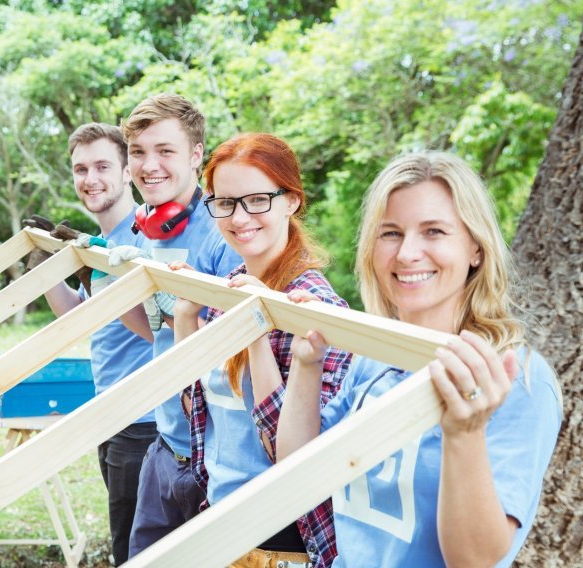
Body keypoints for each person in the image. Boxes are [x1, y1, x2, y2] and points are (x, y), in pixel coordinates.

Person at [277, 151, 562, 567]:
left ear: (476, 249)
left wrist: (464, 433)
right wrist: (307, 364)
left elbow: (475, 561)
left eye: (433, 231)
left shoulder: (515, 378)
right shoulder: (375, 353)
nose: (408, 253)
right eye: (390, 232)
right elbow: (299, 475)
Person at [171, 133, 352, 568]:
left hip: (282, 543)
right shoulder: (229, 285)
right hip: (221, 521)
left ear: (290, 201)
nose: (239, 217)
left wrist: (255, 331)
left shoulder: (315, 308)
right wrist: (184, 319)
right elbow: (197, 408)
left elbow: (292, 456)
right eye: (225, 202)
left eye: (256, 200)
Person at [117, 93, 243, 558]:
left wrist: (177, 304)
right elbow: (157, 332)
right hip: (166, 441)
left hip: (214, 457)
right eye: (138, 152)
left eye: (165, 151)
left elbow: (238, 353)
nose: (148, 165)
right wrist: (116, 286)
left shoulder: (225, 231)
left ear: (196, 155)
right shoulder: (149, 228)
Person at [33, 123, 157, 566]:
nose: (91, 178)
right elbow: (77, 316)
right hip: (110, 413)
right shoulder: (99, 244)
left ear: (128, 172)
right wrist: (47, 266)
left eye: (103, 165)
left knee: (133, 550)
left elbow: (161, 328)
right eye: (81, 168)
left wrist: (103, 278)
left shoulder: (144, 237)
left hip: (146, 418)